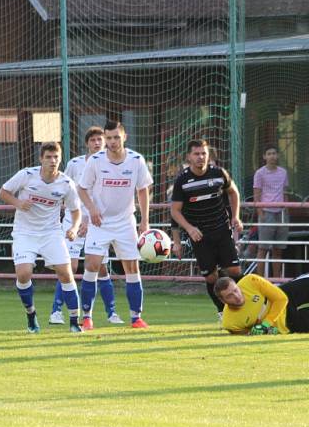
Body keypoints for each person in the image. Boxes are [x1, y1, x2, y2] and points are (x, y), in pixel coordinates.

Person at [0, 142, 83, 333]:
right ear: (41, 159)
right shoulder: (27, 175)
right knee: (23, 274)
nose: (53, 161)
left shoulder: (66, 184)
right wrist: (19, 203)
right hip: (24, 233)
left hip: (51, 233)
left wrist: (74, 228)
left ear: (60, 159)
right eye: (48, 157)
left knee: (66, 273)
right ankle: (31, 315)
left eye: (56, 157)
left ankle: (74, 322)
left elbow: (76, 211)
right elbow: (3, 192)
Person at [77, 120, 152, 329]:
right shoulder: (95, 160)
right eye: (108, 138)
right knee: (91, 265)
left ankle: (136, 318)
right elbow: (82, 188)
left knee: (132, 267)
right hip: (99, 223)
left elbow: (143, 190)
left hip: (126, 222)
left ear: (124, 137)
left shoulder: (136, 160)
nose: (111, 141)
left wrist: (145, 221)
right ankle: (87, 318)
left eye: (116, 137)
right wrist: (91, 209)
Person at [49, 127, 124, 326]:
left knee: (101, 269)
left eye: (100, 139)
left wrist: (90, 220)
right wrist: (74, 217)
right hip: (74, 222)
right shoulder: (74, 164)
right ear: (87, 144)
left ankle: (111, 313)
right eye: (93, 140)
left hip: (97, 223)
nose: (97, 143)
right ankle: (56, 311)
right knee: (69, 266)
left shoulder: (110, 164)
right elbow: (63, 188)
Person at [170, 139, 244, 318]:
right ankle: (222, 311)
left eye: (203, 153)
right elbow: (174, 211)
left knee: (234, 271)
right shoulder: (182, 180)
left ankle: (243, 305)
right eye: (196, 154)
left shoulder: (219, 173)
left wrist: (235, 216)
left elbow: (234, 192)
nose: (200, 157)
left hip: (222, 230)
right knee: (211, 277)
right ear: (189, 156)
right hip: (200, 236)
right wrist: (187, 231)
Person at [252, 146, 289, 278]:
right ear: (264, 156)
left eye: (274, 153)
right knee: (263, 248)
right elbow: (256, 194)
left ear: (277, 155)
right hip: (266, 213)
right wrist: (260, 213)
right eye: (269, 154)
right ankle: (260, 280)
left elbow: (285, 192)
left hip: (281, 213)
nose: (272, 156)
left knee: (278, 249)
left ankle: (277, 280)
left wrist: (286, 210)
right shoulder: (259, 173)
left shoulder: (283, 172)